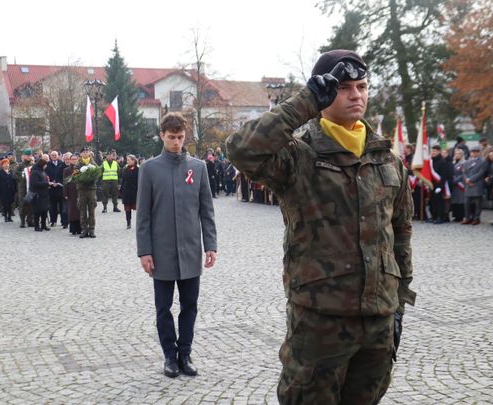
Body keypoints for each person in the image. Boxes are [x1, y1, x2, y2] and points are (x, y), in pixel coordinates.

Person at [226, 49, 415, 404]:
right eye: (344, 87)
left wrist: (399, 304)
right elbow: (240, 149)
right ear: (324, 92)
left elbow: (401, 233)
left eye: (362, 86)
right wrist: (305, 102)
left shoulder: (386, 158)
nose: (356, 95)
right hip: (319, 322)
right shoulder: (299, 155)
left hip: (378, 321)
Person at [137, 112, 217, 379]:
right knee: (163, 309)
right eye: (171, 137)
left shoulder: (199, 167)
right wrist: (144, 251)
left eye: (180, 137)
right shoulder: (149, 169)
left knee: (190, 306)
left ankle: (185, 353)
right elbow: (143, 215)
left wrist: (211, 245)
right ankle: (169, 356)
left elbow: (207, 211)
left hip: (190, 250)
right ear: (162, 135)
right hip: (161, 252)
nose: (176, 142)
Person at [462, 145, 488, 225]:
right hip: (468, 185)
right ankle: (467, 217)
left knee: (478, 203)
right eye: (472, 152)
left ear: (479, 152)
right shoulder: (467, 161)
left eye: (475, 152)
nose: (473, 153)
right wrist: (467, 180)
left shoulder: (483, 161)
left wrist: (470, 179)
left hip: (477, 184)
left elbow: (481, 173)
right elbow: (464, 172)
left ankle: (476, 218)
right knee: (467, 203)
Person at [76, 147, 98, 238]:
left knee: (92, 210)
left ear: (89, 153)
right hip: (82, 189)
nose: (85, 153)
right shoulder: (78, 164)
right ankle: (84, 229)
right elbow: (75, 175)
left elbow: (97, 175)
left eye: (87, 151)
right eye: (84, 152)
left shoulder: (93, 163)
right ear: (81, 154)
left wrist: (91, 179)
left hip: (91, 189)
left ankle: (92, 229)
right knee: (82, 210)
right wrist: (82, 179)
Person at [29, 155, 51, 231]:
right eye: (45, 165)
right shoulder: (35, 172)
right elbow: (35, 183)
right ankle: (36, 226)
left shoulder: (42, 171)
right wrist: (47, 183)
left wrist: (49, 183)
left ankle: (43, 225)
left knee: (44, 211)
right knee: (37, 211)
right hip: (38, 195)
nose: (46, 166)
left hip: (44, 194)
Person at [15, 149, 35, 228]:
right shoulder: (20, 165)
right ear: (24, 156)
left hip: (31, 188)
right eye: (27, 155)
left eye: (30, 155)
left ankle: (30, 220)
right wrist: (23, 176)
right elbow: (15, 175)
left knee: (31, 205)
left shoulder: (33, 165)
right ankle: (22, 221)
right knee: (22, 205)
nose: (29, 157)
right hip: (22, 188)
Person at [45, 150, 65, 227]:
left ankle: (63, 221)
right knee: (52, 206)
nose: (54, 157)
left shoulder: (62, 164)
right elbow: (45, 175)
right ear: (50, 156)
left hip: (60, 187)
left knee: (62, 206)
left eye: (55, 155)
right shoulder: (47, 164)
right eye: (52, 155)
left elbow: (64, 175)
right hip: (51, 188)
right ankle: (53, 221)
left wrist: (59, 182)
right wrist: (50, 182)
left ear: (58, 156)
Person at [63, 154, 81, 235]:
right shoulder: (66, 170)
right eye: (72, 159)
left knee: (79, 210)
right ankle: (73, 229)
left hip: (79, 191)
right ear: (70, 160)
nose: (74, 160)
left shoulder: (80, 169)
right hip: (71, 192)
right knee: (72, 211)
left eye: (75, 159)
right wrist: (65, 193)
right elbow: (65, 182)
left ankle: (80, 228)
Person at [120, 154, 139, 229]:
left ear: (133, 160)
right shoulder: (125, 169)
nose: (127, 161)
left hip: (135, 191)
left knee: (139, 208)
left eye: (128, 160)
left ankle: (140, 223)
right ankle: (128, 223)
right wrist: (121, 189)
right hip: (127, 191)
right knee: (127, 208)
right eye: (127, 160)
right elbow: (123, 180)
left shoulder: (138, 169)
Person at [451, 148, 466, 222]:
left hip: (460, 184)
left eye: (459, 154)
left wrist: (456, 180)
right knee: (455, 200)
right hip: (454, 185)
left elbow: (463, 174)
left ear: (462, 155)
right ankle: (456, 216)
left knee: (460, 200)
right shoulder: (453, 163)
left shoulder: (464, 163)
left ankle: (461, 216)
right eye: (456, 154)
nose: (457, 155)